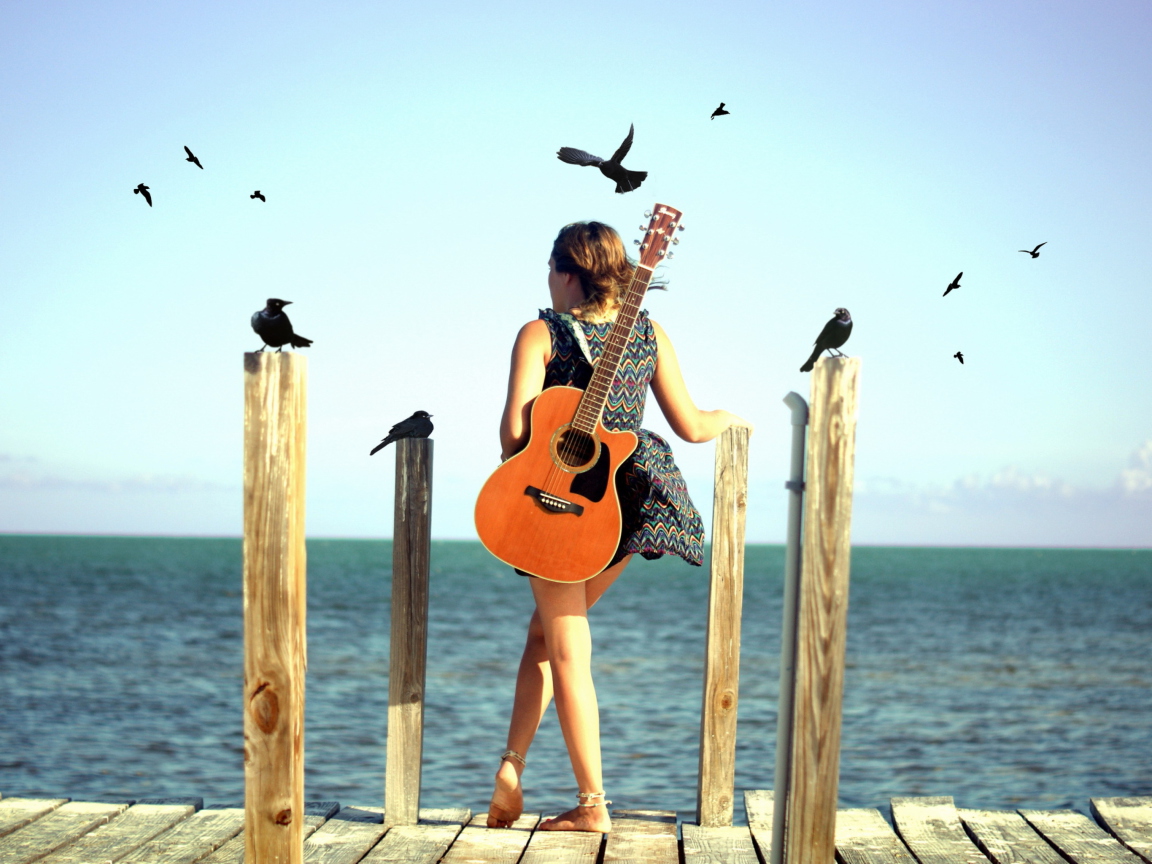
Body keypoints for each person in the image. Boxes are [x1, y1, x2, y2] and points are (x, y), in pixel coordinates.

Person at [486, 221, 752, 833]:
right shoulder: (648, 333)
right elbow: (690, 423)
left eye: (552, 270)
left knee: (569, 647)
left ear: (569, 271)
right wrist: (734, 419)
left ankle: (591, 805)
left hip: (559, 502)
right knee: (545, 637)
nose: (548, 283)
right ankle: (511, 769)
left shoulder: (539, 333)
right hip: (626, 497)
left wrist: (550, 429)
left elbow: (511, 436)